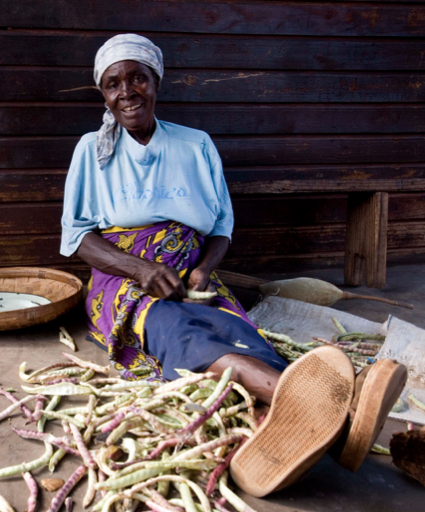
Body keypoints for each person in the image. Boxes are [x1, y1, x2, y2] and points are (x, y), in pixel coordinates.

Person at [60, 34, 406, 496]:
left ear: (155, 82)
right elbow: (77, 235)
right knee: (178, 330)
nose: (126, 92)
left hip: (192, 273)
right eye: (112, 84)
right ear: (103, 94)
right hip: (121, 279)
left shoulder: (195, 145)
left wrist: (204, 268)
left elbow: (221, 223)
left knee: (235, 330)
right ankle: (339, 417)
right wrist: (140, 270)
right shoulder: (91, 149)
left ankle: (280, 435)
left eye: (137, 78)